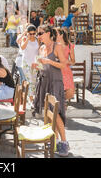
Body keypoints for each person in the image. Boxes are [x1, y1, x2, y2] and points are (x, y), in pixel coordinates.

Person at [34, 25, 70, 157]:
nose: (38, 36)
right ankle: (54, 141)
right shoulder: (42, 48)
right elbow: (42, 65)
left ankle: (64, 142)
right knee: (49, 114)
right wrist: (37, 65)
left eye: (40, 33)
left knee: (56, 113)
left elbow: (63, 64)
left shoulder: (57, 46)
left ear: (49, 33)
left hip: (55, 83)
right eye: (38, 34)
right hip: (44, 82)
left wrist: (49, 61)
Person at [19, 25, 40, 107]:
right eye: (30, 34)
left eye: (33, 33)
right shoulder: (24, 39)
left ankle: (30, 98)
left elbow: (38, 52)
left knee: (34, 82)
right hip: (26, 63)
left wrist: (39, 64)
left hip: (34, 63)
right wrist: (27, 38)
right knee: (30, 81)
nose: (32, 35)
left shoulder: (37, 40)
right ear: (27, 33)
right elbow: (23, 47)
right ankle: (32, 101)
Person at [56, 29, 76, 100]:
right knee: (56, 91)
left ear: (61, 35)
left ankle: (62, 102)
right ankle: (60, 105)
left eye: (56, 34)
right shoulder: (54, 45)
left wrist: (67, 61)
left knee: (70, 92)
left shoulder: (70, 46)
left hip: (66, 71)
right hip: (56, 70)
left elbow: (73, 61)